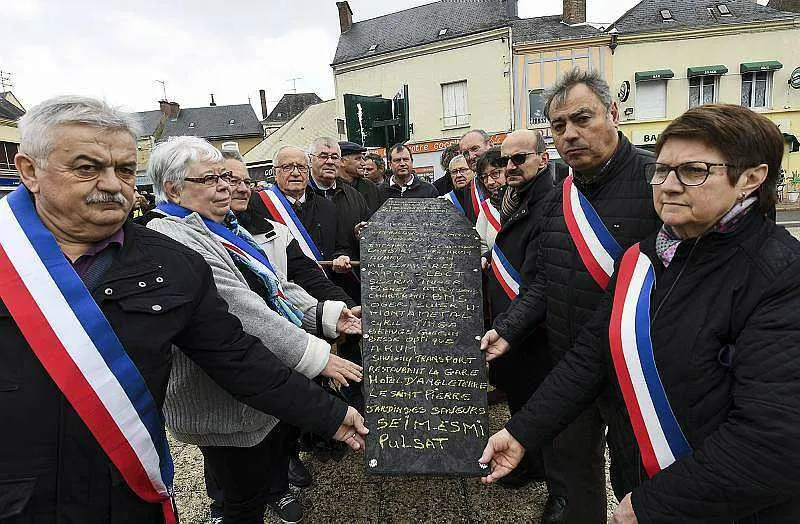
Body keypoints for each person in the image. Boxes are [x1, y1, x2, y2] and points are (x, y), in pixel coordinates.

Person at [0, 95, 367, 523]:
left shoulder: (169, 260)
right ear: (30, 171)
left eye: (125, 170)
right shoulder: (14, 255)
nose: (113, 184)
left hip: (129, 486)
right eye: (87, 168)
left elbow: (233, 352)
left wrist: (328, 412)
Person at [481, 104, 800, 523]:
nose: (669, 186)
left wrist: (653, 505)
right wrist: (522, 432)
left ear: (751, 179)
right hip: (647, 487)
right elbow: (590, 357)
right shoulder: (641, 258)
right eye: (662, 170)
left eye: (693, 171)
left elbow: (774, 440)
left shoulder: (780, 275)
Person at [144, 136, 363, 524]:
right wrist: (315, 356)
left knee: (264, 466)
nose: (225, 187)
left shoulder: (220, 227)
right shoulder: (173, 237)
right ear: (173, 189)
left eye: (225, 178)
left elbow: (275, 284)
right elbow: (241, 308)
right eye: (211, 179)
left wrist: (327, 314)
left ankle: (274, 493)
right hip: (222, 400)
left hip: (258, 386)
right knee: (240, 498)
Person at [481, 69, 661, 523]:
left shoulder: (659, 184)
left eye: (583, 118)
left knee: (635, 479)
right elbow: (543, 280)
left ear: (613, 113)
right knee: (572, 469)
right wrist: (508, 329)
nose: (571, 134)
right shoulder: (559, 198)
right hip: (567, 365)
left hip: (635, 371)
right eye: (559, 125)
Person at [480, 130, 555, 489]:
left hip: (534, 330)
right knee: (520, 400)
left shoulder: (549, 204)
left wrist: (510, 326)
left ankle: (551, 479)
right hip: (512, 323)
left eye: (519, 158)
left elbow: (541, 280)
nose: (510, 166)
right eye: (505, 160)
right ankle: (529, 463)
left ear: (543, 159)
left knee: (539, 404)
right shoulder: (515, 198)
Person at [474, 147, 506, 254]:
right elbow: (481, 243)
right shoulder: (486, 208)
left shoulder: (524, 201)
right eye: (484, 177)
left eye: (495, 174)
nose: (489, 182)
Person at [339, 141, 381, 212]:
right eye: (358, 159)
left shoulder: (370, 187)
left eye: (363, 159)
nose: (363, 163)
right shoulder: (332, 188)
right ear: (342, 162)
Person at [441, 154, 480, 224]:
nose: (458, 175)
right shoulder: (446, 200)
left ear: (474, 171)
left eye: (463, 170)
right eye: (454, 172)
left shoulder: (483, 193)